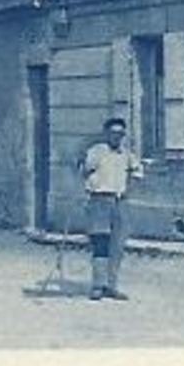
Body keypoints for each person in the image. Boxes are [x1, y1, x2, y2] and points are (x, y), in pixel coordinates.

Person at [80, 116, 143, 301]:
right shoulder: (96, 151)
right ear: (106, 133)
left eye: (121, 134)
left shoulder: (126, 154)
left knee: (117, 246)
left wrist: (130, 188)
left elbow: (138, 172)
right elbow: (83, 170)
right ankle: (97, 286)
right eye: (114, 133)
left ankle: (111, 286)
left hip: (120, 202)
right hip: (100, 200)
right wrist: (87, 174)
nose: (117, 137)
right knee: (100, 243)